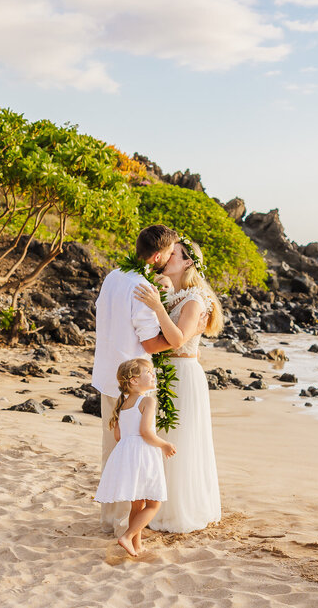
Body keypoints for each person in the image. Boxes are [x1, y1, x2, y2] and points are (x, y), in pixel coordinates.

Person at [133, 236, 224, 533]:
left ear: (187, 262)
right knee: (159, 436)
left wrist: (158, 308)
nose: (168, 256)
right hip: (162, 373)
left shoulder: (195, 299)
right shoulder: (173, 294)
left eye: (175, 253)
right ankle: (155, 505)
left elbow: (179, 339)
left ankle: (176, 510)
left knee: (178, 440)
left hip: (183, 375)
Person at [92, 225, 177, 534]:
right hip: (131, 381)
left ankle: (109, 519)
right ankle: (120, 525)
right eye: (168, 253)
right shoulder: (142, 289)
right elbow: (151, 343)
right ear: (156, 255)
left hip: (107, 374)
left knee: (111, 450)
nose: (169, 258)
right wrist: (179, 338)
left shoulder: (114, 277)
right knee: (132, 452)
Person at [93, 358, 178, 557]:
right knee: (154, 503)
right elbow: (146, 432)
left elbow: (118, 436)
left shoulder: (123, 402)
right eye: (148, 373)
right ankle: (127, 536)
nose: (153, 375)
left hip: (126, 454)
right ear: (134, 381)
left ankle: (137, 545)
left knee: (137, 505)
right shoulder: (148, 400)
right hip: (144, 453)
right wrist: (164, 444)